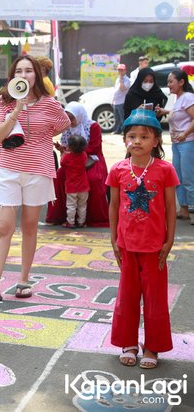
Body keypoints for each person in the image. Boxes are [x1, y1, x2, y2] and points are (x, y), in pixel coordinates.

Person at [0, 55, 70, 306]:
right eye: (19, 71)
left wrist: (43, 136)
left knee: (29, 226)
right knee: (4, 226)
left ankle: (24, 278)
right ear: (13, 76)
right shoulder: (4, 101)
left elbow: (64, 123)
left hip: (38, 169)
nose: (24, 75)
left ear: (36, 74)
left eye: (29, 71)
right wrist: (17, 109)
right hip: (9, 169)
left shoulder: (49, 103)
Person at [107, 108, 178, 369]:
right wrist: (113, 240)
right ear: (125, 139)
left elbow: (171, 208)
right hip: (126, 246)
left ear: (156, 141)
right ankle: (128, 342)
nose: (137, 141)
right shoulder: (117, 170)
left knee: (155, 298)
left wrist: (169, 241)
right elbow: (114, 207)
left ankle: (152, 346)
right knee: (127, 297)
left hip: (155, 248)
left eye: (144, 137)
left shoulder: (165, 170)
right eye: (131, 136)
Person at [46, 102, 110, 227]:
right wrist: (63, 149)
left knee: (93, 179)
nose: (69, 121)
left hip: (92, 159)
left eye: (72, 118)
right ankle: (59, 216)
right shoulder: (67, 126)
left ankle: (92, 218)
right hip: (73, 160)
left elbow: (95, 148)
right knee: (58, 177)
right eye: (67, 118)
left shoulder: (93, 126)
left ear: (79, 115)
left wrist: (76, 150)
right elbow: (66, 148)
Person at [155, 69, 194, 224]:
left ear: (181, 82)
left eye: (171, 81)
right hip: (177, 144)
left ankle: (192, 210)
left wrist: (185, 134)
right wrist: (164, 111)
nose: (168, 84)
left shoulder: (188, 97)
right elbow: (179, 113)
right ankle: (183, 209)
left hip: (188, 143)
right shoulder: (179, 99)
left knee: (189, 179)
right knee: (178, 177)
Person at [61, 135, 89, 228]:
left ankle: (71, 222)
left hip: (71, 186)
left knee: (71, 205)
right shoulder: (84, 155)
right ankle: (81, 222)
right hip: (83, 186)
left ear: (70, 147)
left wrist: (63, 152)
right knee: (82, 205)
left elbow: (62, 164)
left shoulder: (67, 157)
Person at [112, 63, 131, 134]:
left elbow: (122, 89)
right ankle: (117, 130)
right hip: (115, 102)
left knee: (122, 118)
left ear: (125, 71)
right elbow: (115, 89)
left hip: (121, 102)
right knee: (117, 118)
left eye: (121, 70)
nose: (120, 72)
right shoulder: (117, 79)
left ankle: (124, 130)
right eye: (119, 70)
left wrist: (121, 80)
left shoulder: (127, 80)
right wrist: (113, 99)